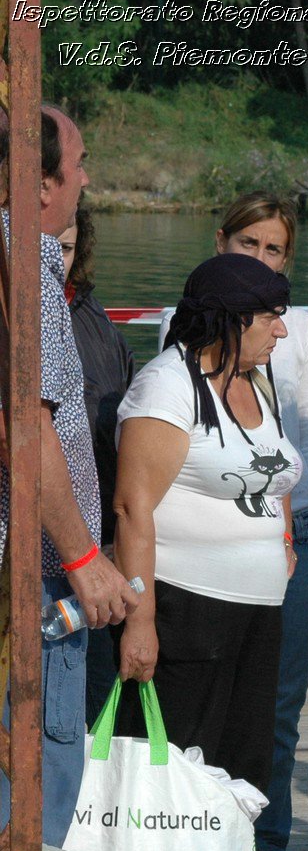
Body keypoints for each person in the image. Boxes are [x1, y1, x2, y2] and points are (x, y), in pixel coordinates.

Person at [114, 252, 305, 851]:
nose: (282, 332)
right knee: (173, 765)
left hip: (259, 607)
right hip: (185, 602)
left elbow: (278, 472)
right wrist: (140, 618)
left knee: (242, 763)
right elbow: (133, 507)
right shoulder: (167, 388)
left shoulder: (260, 383)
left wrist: (282, 541)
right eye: (270, 316)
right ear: (229, 320)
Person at [154, 191, 308, 851]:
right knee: (206, 704)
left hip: (291, 525)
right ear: (219, 241)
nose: (262, 259)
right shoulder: (190, 324)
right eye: (249, 245)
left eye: (275, 250)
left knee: (279, 702)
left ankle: (268, 845)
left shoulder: (298, 327)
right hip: (209, 539)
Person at [0, 104, 141, 851]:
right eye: (79, 162)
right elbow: (27, 426)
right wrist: (85, 560)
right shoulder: (27, 263)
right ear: (43, 182)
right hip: (33, 579)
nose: (87, 178)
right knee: (35, 796)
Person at [60, 204, 136, 714]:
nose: (53, 260)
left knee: (94, 702)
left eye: (64, 249)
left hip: (99, 539)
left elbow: (126, 419)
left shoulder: (93, 315)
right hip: (29, 541)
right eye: (45, 246)